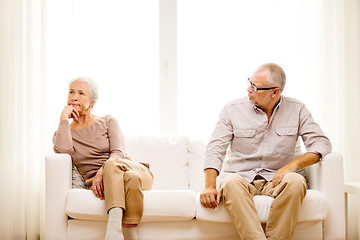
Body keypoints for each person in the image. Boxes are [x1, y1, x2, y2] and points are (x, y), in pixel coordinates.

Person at [199, 63, 332, 240]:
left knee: (296, 181)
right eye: (249, 82)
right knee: (230, 182)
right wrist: (209, 185)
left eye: (254, 87)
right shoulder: (232, 110)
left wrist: (292, 165)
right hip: (240, 178)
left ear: (274, 92)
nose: (248, 89)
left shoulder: (297, 109)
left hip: (276, 178)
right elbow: (216, 148)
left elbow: (321, 144)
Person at [53, 77, 153, 240]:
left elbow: (118, 153)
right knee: (131, 179)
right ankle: (130, 234)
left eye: (81, 93)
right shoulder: (63, 133)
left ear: (92, 101)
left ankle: (113, 230)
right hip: (115, 182)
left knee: (120, 169)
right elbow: (62, 151)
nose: (74, 97)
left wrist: (102, 171)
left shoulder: (107, 121)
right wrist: (63, 118)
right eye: (71, 92)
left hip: (131, 169)